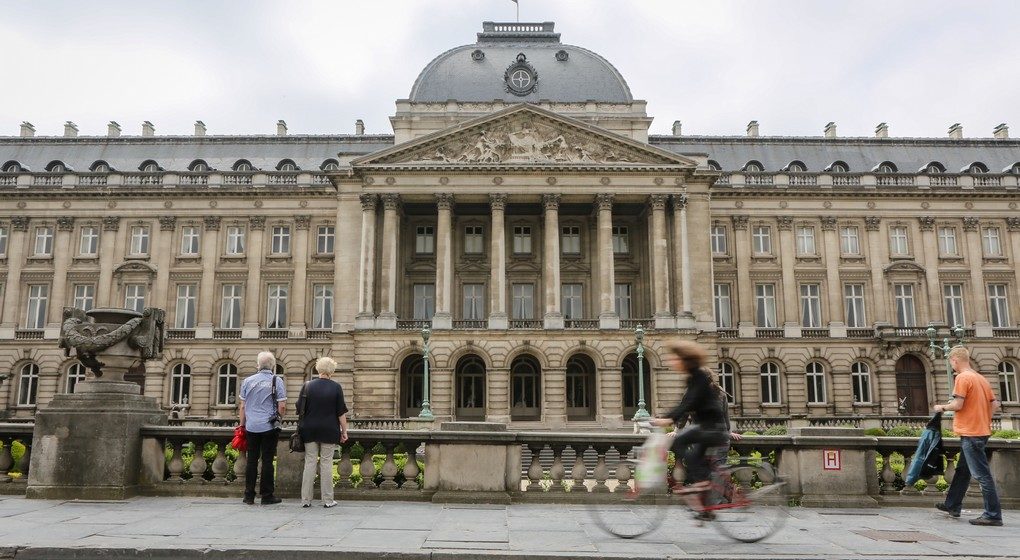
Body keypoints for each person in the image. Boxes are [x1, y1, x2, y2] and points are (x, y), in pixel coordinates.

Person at [651, 341, 730, 509]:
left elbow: (689, 403)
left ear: (685, 359)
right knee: (693, 456)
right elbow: (685, 403)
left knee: (680, 443)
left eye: (675, 358)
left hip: (712, 428)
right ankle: (707, 503)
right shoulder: (693, 377)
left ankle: (704, 483)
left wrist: (669, 419)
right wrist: (668, 418)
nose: (672, 361)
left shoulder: (700, 376)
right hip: (706, 427)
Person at [934, 346, 1003, 526]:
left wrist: (942, 407)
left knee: (982, 475)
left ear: (955, 361)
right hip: (981, 430)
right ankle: (953, 505)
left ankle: (993, 514)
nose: (952, 367)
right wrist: (982, 418)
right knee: (963, 470)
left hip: (971, 433)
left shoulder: (963, 378)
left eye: (951, 363)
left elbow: (958, 404)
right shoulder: (981, 378)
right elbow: (995, 405)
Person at [297, 356, 350, 508]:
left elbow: (299, 408)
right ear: (331, 371)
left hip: (309, 429)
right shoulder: (336, 387)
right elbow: (341, 413)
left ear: (318, 369)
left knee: (310, 462)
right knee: (326, 464)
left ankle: (306, 500)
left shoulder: (307, 386)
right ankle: (327, 500)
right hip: (329, 429)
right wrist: (344, 431)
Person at [238, 351, 287, 505]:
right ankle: (267, 495)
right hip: (269, 426)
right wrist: (279, 417)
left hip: (251, 426)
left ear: (258, 365)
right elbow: (282, 405)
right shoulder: (276, 380)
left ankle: (249, 496)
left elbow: (243, 406)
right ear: (273, 366)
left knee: (251, 460)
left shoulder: (247, 381)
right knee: (267, 460)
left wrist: (242, 424)